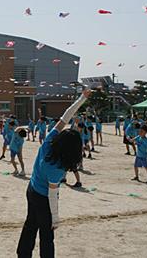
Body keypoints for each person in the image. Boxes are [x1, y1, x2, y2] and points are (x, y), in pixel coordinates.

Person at [17, 89, 90, 257]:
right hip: (44, 198)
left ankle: (23, 254)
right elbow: (52, 194)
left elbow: (66, 116)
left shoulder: (50, 140)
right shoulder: (57, 168)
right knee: (47, 234)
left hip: (31, 189)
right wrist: (55, 217)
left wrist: (81, 99)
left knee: (30, 224)